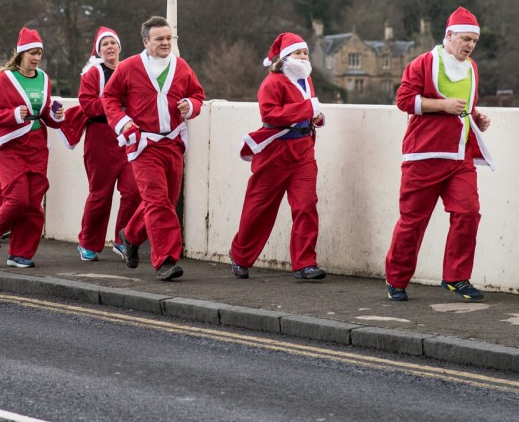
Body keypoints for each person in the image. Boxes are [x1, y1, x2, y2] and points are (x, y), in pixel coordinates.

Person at [384, 6, 495, 302]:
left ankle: (456, 277)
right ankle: (396, 280)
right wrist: (442, 106)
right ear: (449, 35)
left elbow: (465, 107)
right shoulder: (424, 63)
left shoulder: (472, 68)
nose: (470, 45)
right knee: (412, 222)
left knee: (468, 213)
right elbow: (404, 100)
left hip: (460, 157)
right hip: (423, 157)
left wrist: (478, 117)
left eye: (474, 40)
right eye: (465, 39)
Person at [102, 16, 206, 281]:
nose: (165, 43)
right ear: (145, 42)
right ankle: (165, 261)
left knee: (165, 201)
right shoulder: (128, 67)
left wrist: (190, 106)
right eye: (159, 38)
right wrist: (124, 123)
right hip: (144, 144)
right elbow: (109, 98)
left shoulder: (181, 66)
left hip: (172, 142)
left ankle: (131, 235)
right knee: (157, 202)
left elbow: (198, 95)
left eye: (169, 38)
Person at [229, 32, 327, 280]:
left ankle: (305, 263)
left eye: (305, 52)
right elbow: (269, 114)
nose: (304, 57)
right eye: (298, 53)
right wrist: (307, 109)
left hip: (303, 149)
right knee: (259, 208)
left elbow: (308, 111)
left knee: (306, 205)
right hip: (275, 151)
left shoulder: (306, 79)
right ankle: (240, 255)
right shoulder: (272, 82)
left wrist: (316, 117)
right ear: (285, 57)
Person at [0, 27, 64, 268]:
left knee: (34, 203)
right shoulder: (3, 79)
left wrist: (55, 114)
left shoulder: (44, 78)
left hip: (37, 147)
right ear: (21, 54)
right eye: (32, 53)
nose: (36, 58)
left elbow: (44, 112)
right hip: (12, 146)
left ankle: (20, 253)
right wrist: (14, 114)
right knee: (17, 200)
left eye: (39, 53)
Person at [64, 27, 141, 262]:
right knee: (101, 194)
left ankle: (122, 239)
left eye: (113, 43)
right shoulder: (93, 74)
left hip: (128, 136)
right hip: (100, 136)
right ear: (99, 50)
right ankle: (88, 242)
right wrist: (114, 105)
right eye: (104, 44)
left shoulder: (129, 70)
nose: (110, 47)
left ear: (119, 47)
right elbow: (88, 105)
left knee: (133, 191)